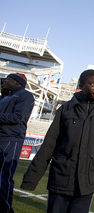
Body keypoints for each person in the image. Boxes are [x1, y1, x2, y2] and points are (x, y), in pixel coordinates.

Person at [21, 70, 94, 213]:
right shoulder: (65, 108)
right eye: (92, 84)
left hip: (88, 181)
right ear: (81, 85)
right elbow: (49, 145)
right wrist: (31, 179)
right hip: (61, 176)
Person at [0, 73, 35, 213]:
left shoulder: (25, 95)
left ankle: (6, 210)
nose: (5, 81)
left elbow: (17, 117)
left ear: (17, 82)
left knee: (4, 176)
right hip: (3, 136)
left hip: (11, 138)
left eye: (8, 79)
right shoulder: (6, 96)